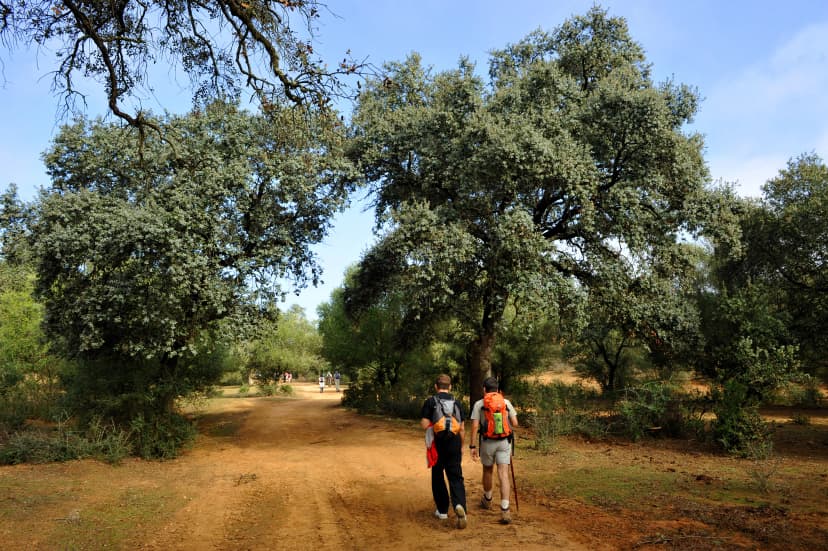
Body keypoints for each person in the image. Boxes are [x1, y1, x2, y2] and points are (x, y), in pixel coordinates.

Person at [420, 374, 468, 529]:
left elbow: (424, 423)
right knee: (455, 476)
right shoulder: (457, 403)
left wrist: (434, 429)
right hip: (454, 442)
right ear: (450, 387)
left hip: (437, 442)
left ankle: (442, 510)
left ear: (436, 386)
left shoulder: (430, 402)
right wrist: (461, 445)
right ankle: (460, 505)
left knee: (438, 474)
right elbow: (461, 428)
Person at [469, 376, 519, 524]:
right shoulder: (506, 402)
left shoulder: (479, 404)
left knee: (488, 470)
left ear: (484, 389)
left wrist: (472, 446)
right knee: (503, 474)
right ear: (497, 389)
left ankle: (488, 499)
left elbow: (475, 426)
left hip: (487, 442)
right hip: (504, 442)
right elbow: (515, 423)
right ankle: (505, 510)